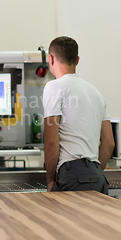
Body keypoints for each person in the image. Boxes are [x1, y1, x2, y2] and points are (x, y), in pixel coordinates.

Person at [42, 36, 115, 194]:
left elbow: (51, 141)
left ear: (51, 58)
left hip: (72, 176)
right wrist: (93, 174)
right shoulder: (96, 93)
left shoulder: (54, 87)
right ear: (77, 60)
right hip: (98, 177)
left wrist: (50, 180)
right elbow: (109, 143)